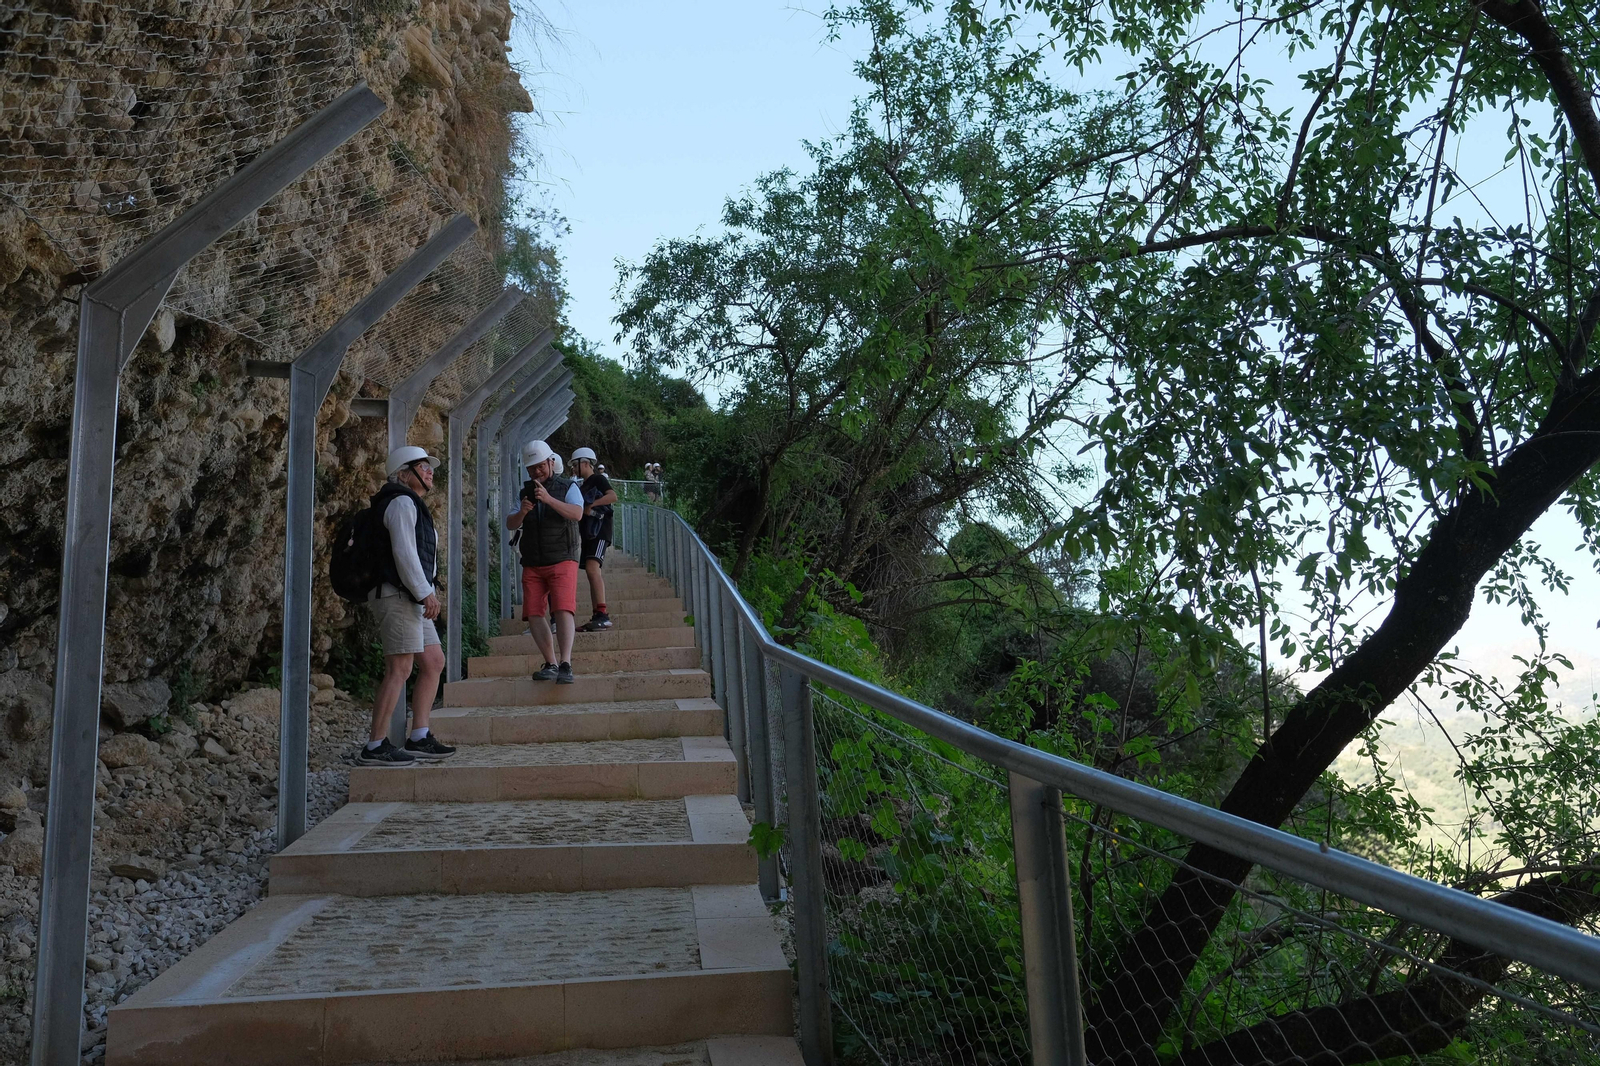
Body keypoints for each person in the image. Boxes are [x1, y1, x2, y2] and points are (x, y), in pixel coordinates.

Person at [360, 446, 457, 765]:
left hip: (412, 595)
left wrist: (425, 591)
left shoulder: (409, 503)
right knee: (399, 667)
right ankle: (374, 745)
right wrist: (424, 592)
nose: (430, 472)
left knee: (433, 661)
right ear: (403, 473)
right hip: (398, 594)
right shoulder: (400, 502)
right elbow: (404, 553)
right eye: (422, 466)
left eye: (430, 468)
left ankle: (419, 736)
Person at [506, 440, 584, 683]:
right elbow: (510, 523)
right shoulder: (524, 492)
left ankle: (566, 663)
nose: (536, 472)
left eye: (540, 466)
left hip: (563, 557)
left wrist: (549, 499)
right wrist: (523, 511)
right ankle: (550, 662)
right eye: (531, 469)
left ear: (551, 462)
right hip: (533, 560)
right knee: (533, 612)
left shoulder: (568, 486)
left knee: (562, 608)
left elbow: (577, 513)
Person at [570, 447, 617, 631]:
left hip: (599, 531)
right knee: (590, 571)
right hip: (589, 533)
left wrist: (592, 505)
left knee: (592, 568)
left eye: (575, 465)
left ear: (585, 463)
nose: (573, 469)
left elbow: (613, 496)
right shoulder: (582, 486)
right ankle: (597, 613)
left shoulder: (598, 479)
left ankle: (603, 614)